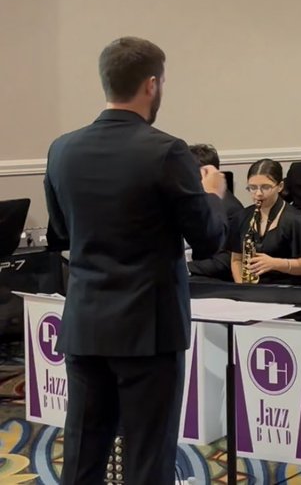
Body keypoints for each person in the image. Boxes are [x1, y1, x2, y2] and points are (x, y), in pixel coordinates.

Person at [43, 36, 229, 484]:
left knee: (83, 455)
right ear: (151, 85)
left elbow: (62, 235)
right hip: (148, 330)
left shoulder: (61, 149)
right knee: (148, 457)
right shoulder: (166, 151)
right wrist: (214, 197)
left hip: (86, 323)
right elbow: (207, 240)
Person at [230, 159, 301, 288]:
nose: (258, 194)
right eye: (252, 188)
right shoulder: (242, 217)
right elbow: (236, 260)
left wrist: (275, 264)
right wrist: (244, 288)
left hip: (289, 289)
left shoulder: (295, 220)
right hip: (256, 291)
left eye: (266, 187)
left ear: (280, 186)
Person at [186, 143, 242, 279]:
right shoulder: (192, 198)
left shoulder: (231, 210)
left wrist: (183, 268)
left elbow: (224, 261)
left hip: (205, 279)